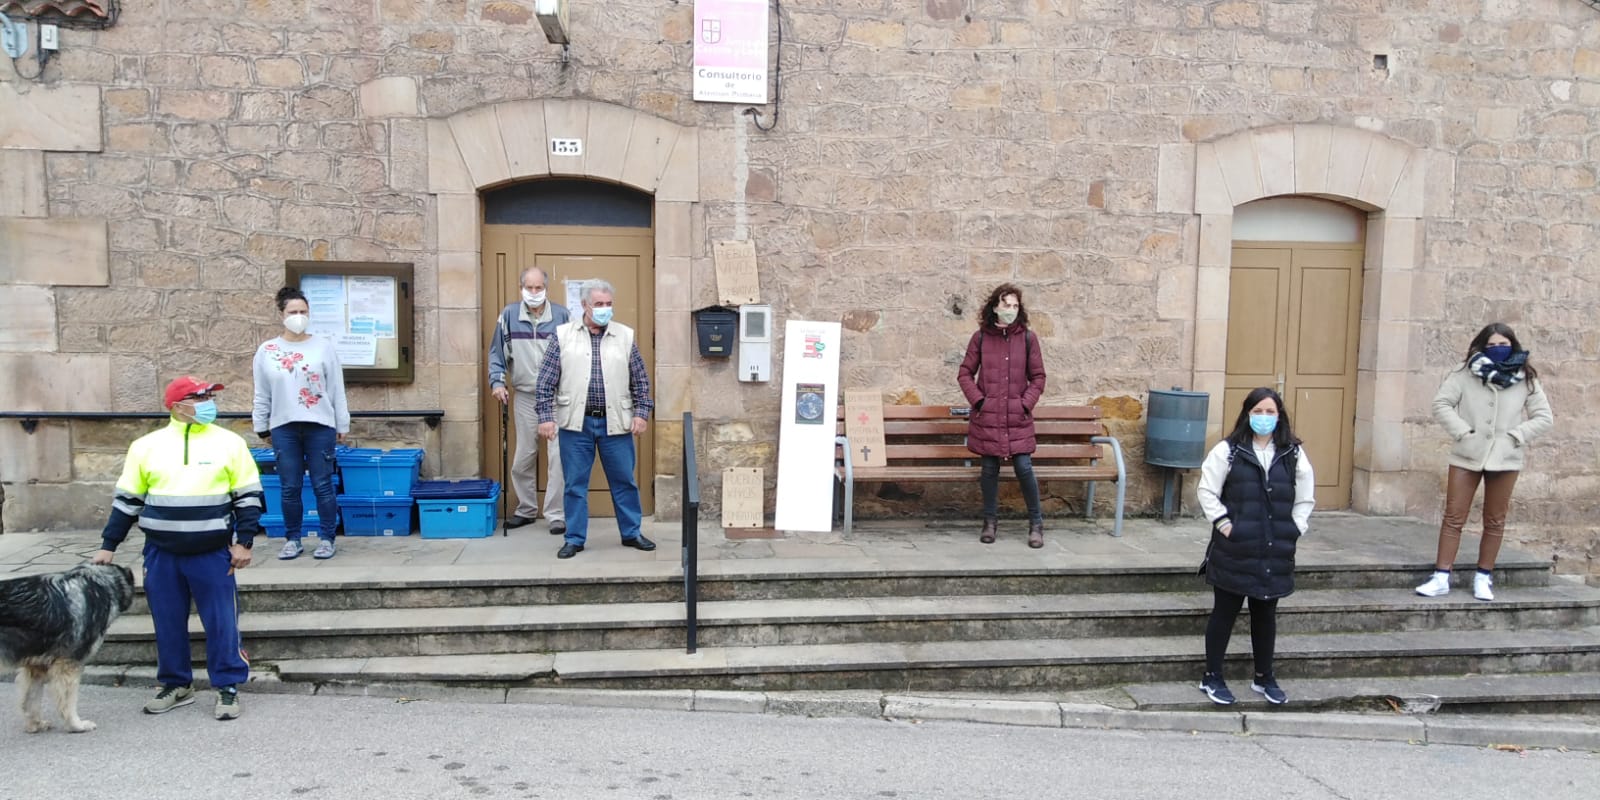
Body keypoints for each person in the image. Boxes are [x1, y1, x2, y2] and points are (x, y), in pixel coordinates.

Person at [92, 376, 261, 721]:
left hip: (213, 551)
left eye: (209, 396)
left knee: (222, 622)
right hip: (161, 552)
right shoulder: (145, 446)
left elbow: (248, 497)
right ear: (177, 405)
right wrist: (108, 546)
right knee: (166, 622)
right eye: (200, 397)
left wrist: (244, 542)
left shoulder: (230, 443)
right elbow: (128, 501)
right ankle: (175, 684)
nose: (209, 402)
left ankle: (227, 687)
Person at [1415, 323, 1553, 602]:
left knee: (1495, 520)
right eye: (1490, 346)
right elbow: (1441, 403)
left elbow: (1544, 417)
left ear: (1512, 345)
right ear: (1481, 346)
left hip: (1505, 457)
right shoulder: (1464, 372)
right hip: (1467, 453)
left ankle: (1483, 577)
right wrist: (1463, 432)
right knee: (1454, 516)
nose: (1497, 350)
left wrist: (1516, 435)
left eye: (1502, 344)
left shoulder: (1525, 377)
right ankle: (1441, 576)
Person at [1195, 387, 1314, 706]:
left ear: (1280, 416)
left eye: (1270, 412)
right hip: (1234, 549)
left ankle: (1264, 676)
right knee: (1225, 612)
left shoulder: (1293, 454)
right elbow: (1207, 490)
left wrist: (1294, 529)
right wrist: (1225, 525)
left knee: (1266, 613)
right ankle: (1213, 676)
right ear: (1247, 414)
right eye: (1258, 411)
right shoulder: (1228, 451)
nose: (1264, 418)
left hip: (1274, 550)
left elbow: (1305, 497)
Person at [535, 279, 656, 559]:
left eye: (608, 304)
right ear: (584, 306)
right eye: (598, 304)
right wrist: (545, 417)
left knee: (625, 481)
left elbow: (640, 381)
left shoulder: (625, 336)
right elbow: (545, 382)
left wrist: (641, 413)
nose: (604, 309)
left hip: (615, 422)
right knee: (575, 484)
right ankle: (574, 538)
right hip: (576, 423)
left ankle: (632, 532)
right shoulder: (562, 335)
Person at [252, 286, 350, 561]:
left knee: (322, 484)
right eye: (293, 312)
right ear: (281, 314)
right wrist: (261, 425)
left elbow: (336, 388)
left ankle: (327, 537)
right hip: (284, 425)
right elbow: (262, 392)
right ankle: (292, 538)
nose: (299, 316)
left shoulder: (322, 347)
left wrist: (342, 423)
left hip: (320, 423)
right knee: (289, 485)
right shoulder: (268, 351)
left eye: (303, 312)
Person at [957, 283, 1048, 548]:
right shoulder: (981, 338)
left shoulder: (1028, 338)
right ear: (995, 307)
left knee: (1023, 467)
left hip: (1017, 417)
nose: (1011, 310)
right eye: (1006, 305)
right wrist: (980, 401)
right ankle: (989, 521)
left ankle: (1036, 523)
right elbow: (965, 373)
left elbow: (1038, 377)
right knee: (989, 469)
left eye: (1015, 306)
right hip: (988, 418)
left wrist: (1025, 403)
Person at [489, 267, 571, 534]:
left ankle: (556, 514)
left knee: (558, 458)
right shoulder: (509, 315)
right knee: (524, 455)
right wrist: (497, 382)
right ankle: (525, 509)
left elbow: (572, 354)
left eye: (538, 287)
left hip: (557, 397)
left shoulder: (562, 315)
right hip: (525, 395)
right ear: (521, 287)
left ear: (546, 288)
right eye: (529, 287)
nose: (534, 292)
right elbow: (498, 353)